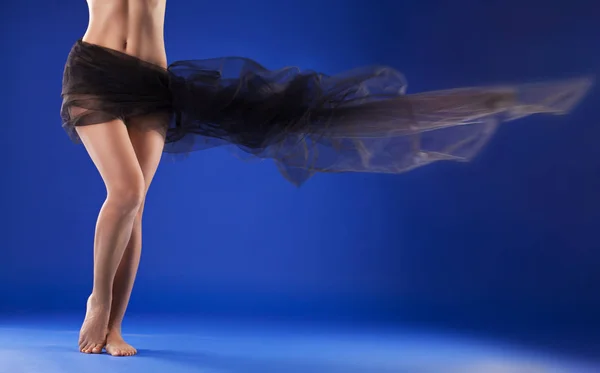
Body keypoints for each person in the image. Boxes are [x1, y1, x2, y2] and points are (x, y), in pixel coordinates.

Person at [61, 0, 591, 357]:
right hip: (96, 71)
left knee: (139, 203)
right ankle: (97, 303)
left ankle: (115, 329)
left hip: (154, 81)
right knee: (125, 192)